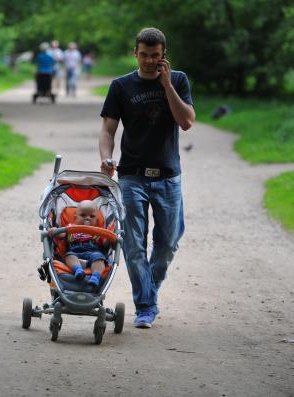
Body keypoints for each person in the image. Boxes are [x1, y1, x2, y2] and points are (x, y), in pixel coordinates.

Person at [99, 27, 195, 328]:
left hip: (168, 176)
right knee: (133, 243)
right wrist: (106, 156)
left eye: (155, 56)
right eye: (144, 55)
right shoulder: (121, 86)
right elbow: (108, 130)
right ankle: (145, 306)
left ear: (163, 55)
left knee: (168, 244)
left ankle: (147, 291)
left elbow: (187, 121)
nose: (149, 61)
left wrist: (167, 85)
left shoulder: (177, 80)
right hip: (132, 176)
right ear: (135, 53)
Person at [47, 200, 109, 288]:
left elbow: (105, 244)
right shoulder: (71, 227)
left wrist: (110, 239)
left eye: (92, 216)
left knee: (99, 259)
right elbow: (61, 234)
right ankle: (78, 270)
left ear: (96, 219)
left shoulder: (98, 230)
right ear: (75, 216)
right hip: (75, 253)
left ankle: (95, 277)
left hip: (93, 253)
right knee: (69, 256)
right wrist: (54, 231)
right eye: (83, 215)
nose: (88, 218)